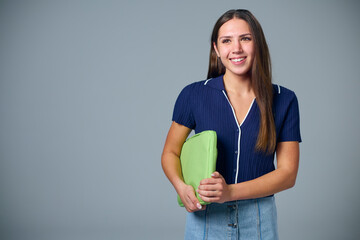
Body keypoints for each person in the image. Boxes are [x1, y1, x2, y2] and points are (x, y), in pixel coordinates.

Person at [161, 9, 301, 240]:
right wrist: (181, 187)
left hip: (259, 219)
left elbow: (288, 173)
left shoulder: (284, 99)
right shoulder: (193, 94)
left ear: (258, 43)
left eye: (245, 38)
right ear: (216, 49)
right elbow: (170, 152)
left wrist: (230, 192)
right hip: (206, 218)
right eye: (226, 41)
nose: (236, 48)